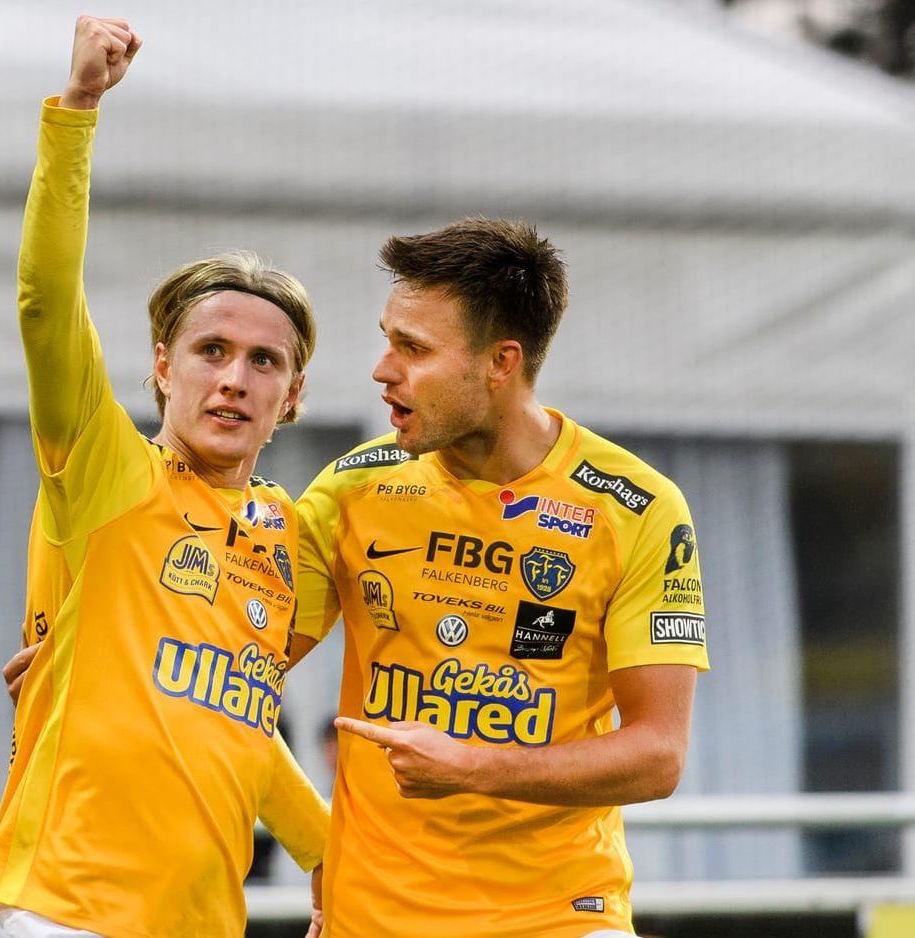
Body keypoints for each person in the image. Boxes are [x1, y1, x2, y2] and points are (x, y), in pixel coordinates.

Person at [0, 16, 328, 937]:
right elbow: (46, 306)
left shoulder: (285, 532)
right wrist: (78, 109)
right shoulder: (107, 470)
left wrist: (333, 856)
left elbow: (238, 728)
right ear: (164, 367)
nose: (234, 379)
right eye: (211, 350)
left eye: (264, 362)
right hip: (66, 913)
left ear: (292, 396)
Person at [287, 218, 709, 937]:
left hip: (562, 917)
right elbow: (232, 675)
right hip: (374, 919)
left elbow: (658, 756)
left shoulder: (637, 507)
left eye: (414, 348)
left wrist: (473, 767)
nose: (382, 370)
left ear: (500, 362)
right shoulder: (353, 488)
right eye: (388, 340)